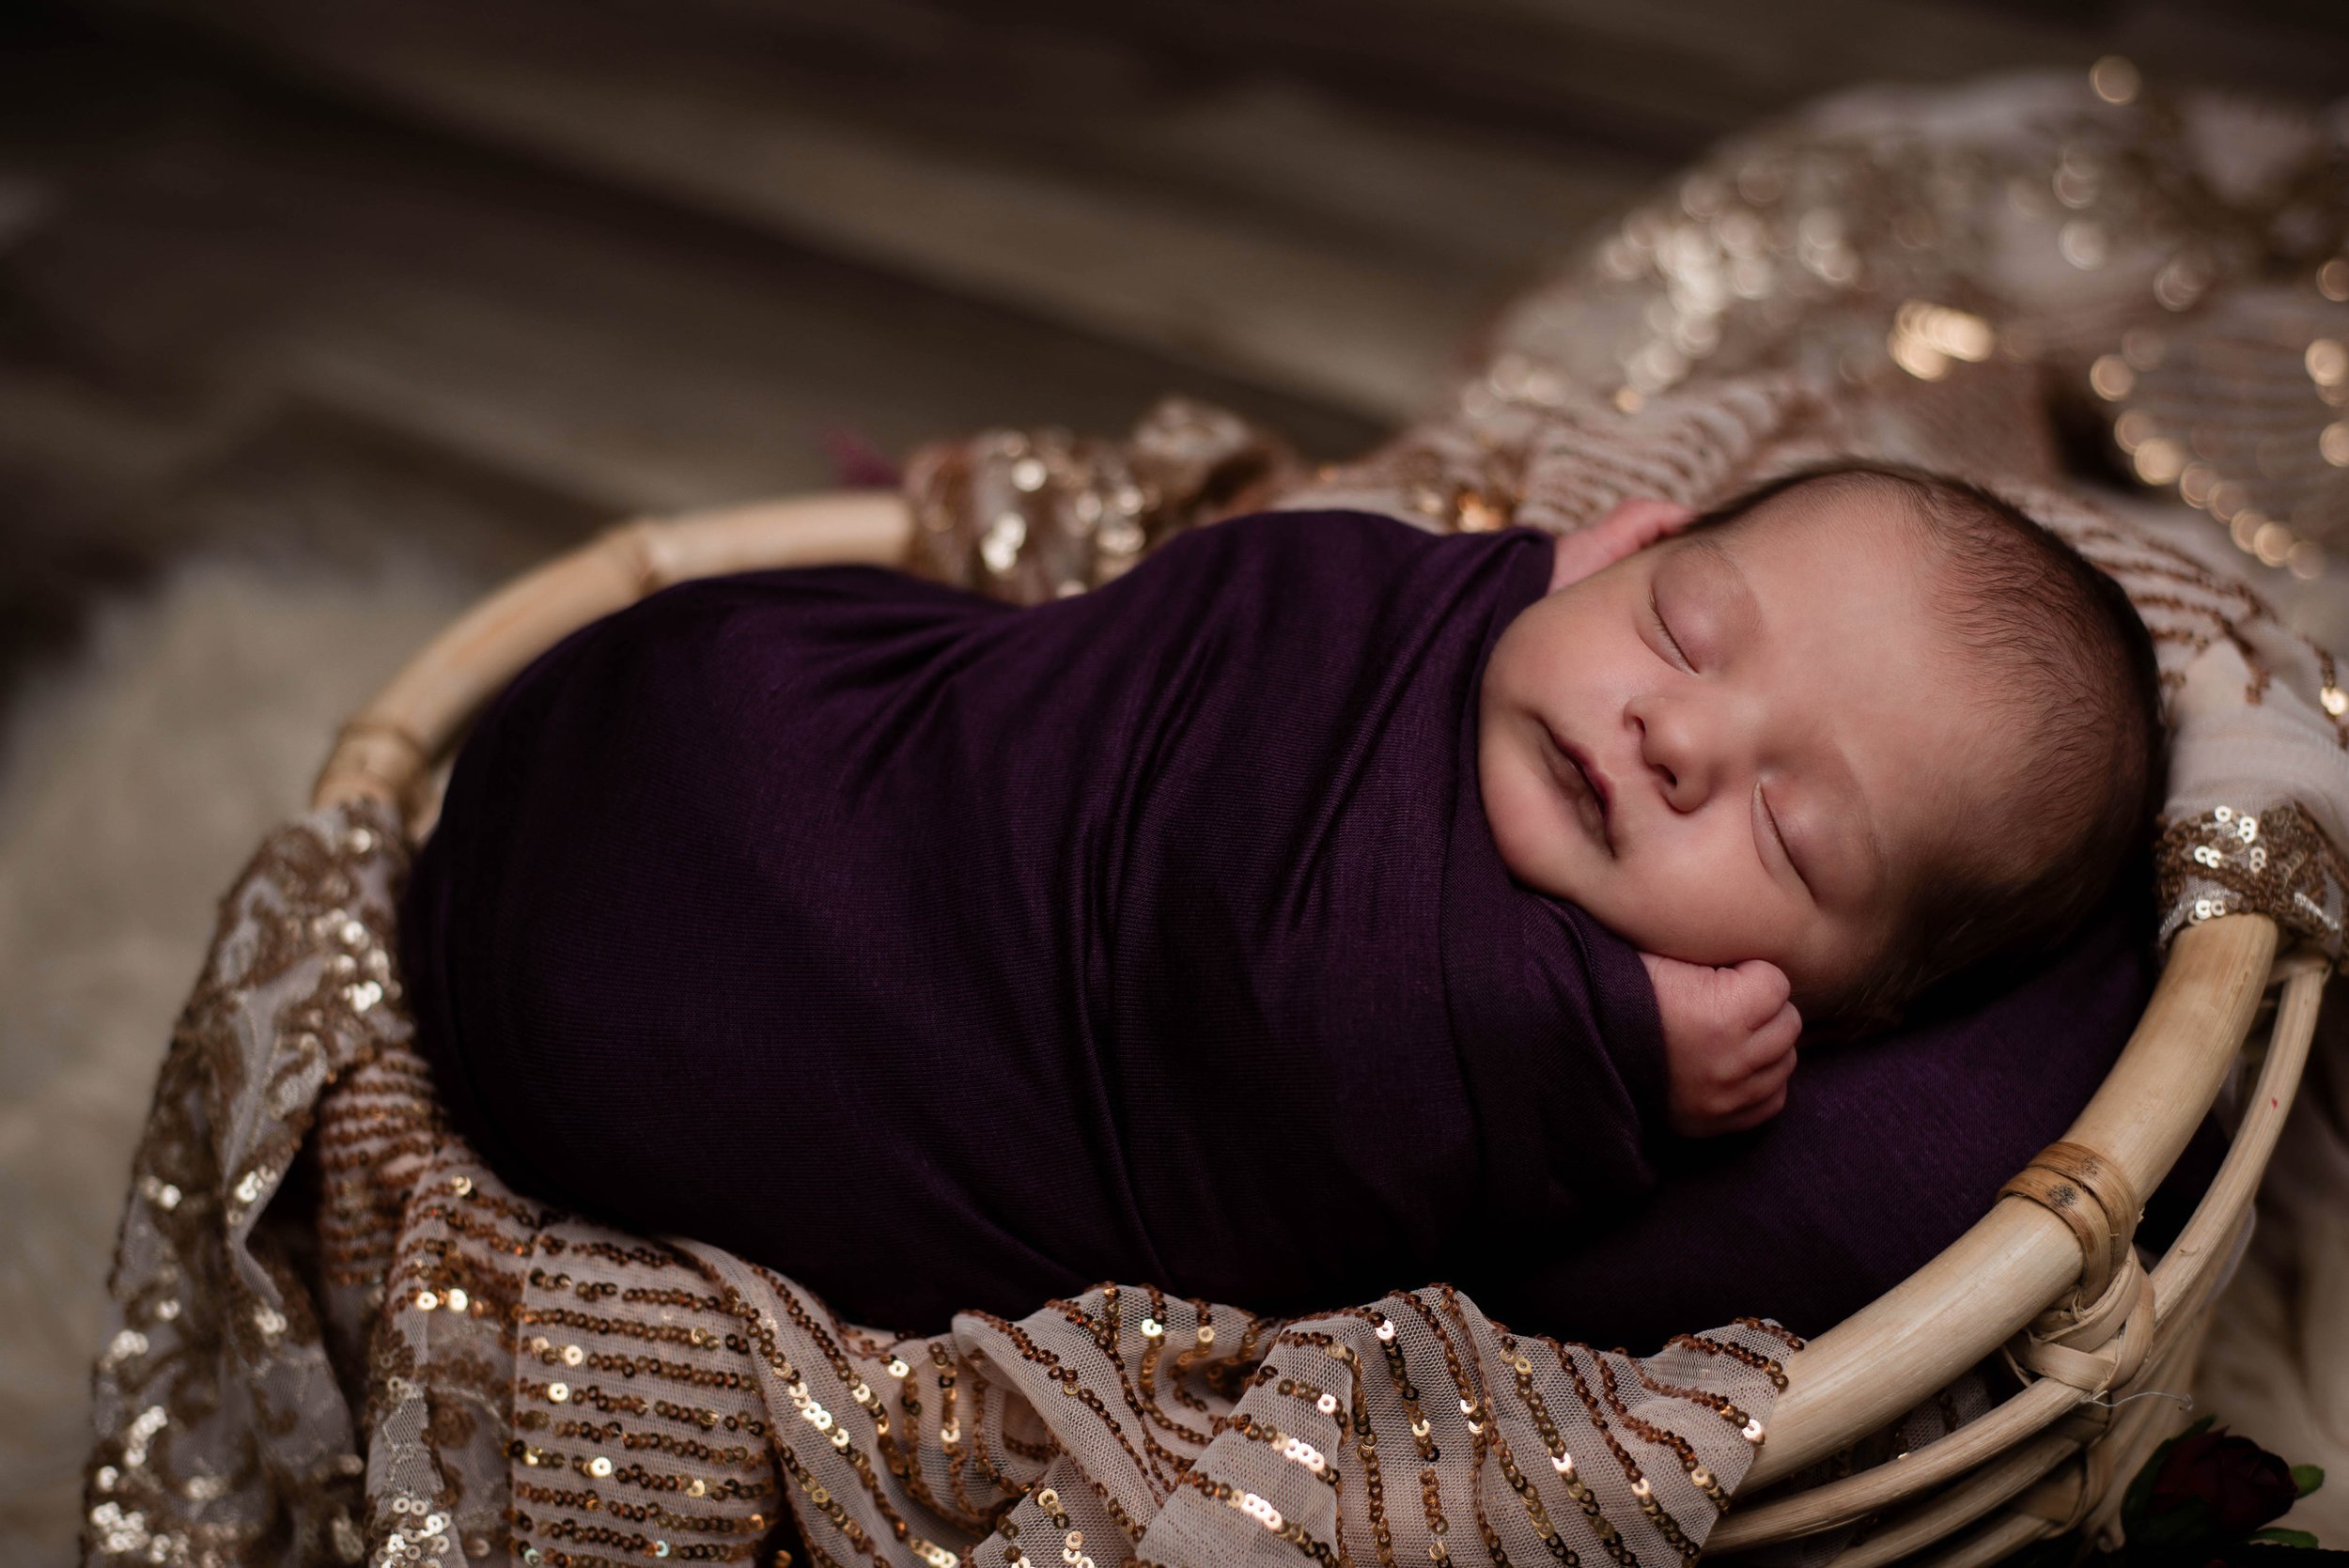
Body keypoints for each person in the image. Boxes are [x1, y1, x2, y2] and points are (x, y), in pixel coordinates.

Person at [399, 461, 2162, 1331]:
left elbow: (1291, 1116)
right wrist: (1609, 1054)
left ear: (1839, 1012)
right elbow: (1220, 662)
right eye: (1684, 626)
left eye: (1789, 838)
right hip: (714, 723)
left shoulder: (1534, 996)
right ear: (1622, 539)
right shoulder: (1360, 599)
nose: (1680, 732)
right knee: (823, 723)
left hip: (631, 993)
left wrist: (1604, 1046)